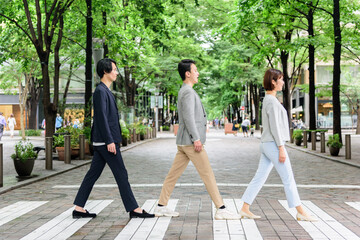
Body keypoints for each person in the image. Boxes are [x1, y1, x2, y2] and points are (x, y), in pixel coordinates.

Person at [153, 59, 240, 220]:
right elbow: (188, 118)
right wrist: (196, 139)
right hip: (190, 142)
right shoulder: (187, 91)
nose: (198, 73)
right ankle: (221, 208)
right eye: (195, 70)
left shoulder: (187, 90)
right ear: (188, 74)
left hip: (184, 142)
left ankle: (161, 206)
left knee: (173, 175)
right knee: (207, 174)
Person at [72, 58, 154, 219]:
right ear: (105, 71)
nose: (117, 72)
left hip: (103, 141)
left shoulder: (105, 91)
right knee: (121, 173)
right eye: (114, 69)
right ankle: (134, 209)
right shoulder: (101, 91)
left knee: (92, 174)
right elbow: (101, 118)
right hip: (105, 142)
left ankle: (78, 208)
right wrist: (110, 141)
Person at [239, 68, 317, 222]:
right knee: (288, 178)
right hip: (273, 145)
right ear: (273, 82)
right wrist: (281, 148)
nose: (283, 82)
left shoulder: (268, 100)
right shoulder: (272, 102)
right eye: (280, 79)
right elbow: (275, 127)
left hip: (267, 143)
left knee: (260, 177)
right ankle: (300, 211)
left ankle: (245, 208)